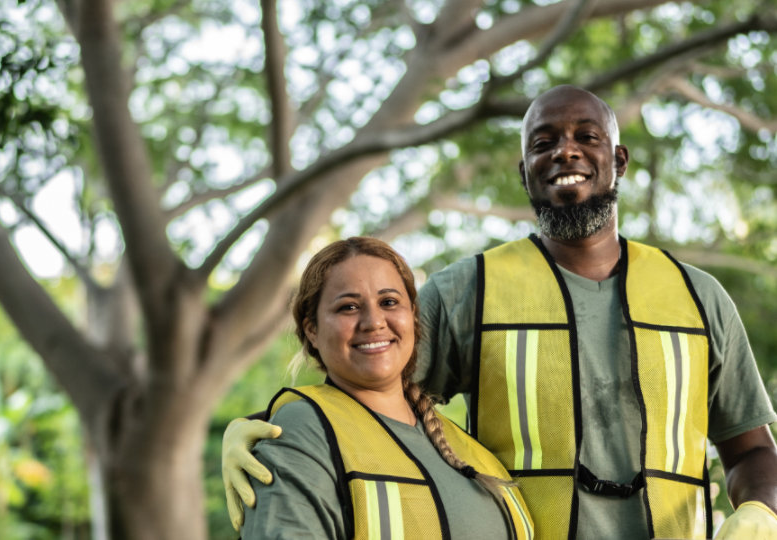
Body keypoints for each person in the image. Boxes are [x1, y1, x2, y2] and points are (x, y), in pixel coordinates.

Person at [223, 86, 777, 539]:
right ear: (524, 170)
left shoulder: (698, 296)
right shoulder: (467, 290)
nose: (566, 151)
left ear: (619, 160)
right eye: (544, 142)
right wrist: (275, 430)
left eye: (587, 136)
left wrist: (762, 510)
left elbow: (751, 450)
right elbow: (368, 390)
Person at [235, 236, 533, 539]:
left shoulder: (471, 451)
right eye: (348, 307)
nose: (374, 321)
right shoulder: (303, 428)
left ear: (413, 316)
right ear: (312, 329)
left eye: (389, 302)